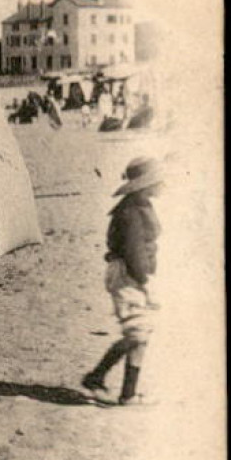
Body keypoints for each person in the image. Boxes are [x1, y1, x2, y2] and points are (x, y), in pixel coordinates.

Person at [82, 157, 163, 407]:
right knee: (137, 331)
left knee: (141, 332)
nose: (163, 184)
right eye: (158, 180)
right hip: (126, 274)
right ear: (145, 184)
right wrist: (145, 282)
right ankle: (96, 378)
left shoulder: (138, 205)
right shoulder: (130, 212)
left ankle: (128, 393)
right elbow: (133, 251)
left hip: (132, 272)